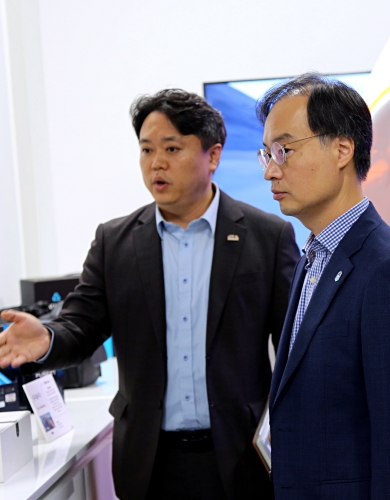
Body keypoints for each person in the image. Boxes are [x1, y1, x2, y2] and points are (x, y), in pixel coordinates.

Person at [0, 89, 299, 500]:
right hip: (149, 464)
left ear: (212, 156)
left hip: (240, 458)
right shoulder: (115, 242)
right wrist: (47, 339)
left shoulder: (267, 237)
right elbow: (81, 327)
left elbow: (294, 348)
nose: (156, 162)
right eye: (146, 149)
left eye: (171, 148)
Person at [256, 73, 390, 499]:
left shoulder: (389, 271)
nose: (270, 171)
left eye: (284, 150)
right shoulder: (315, 256)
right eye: (266, 153)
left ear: (342, 149)